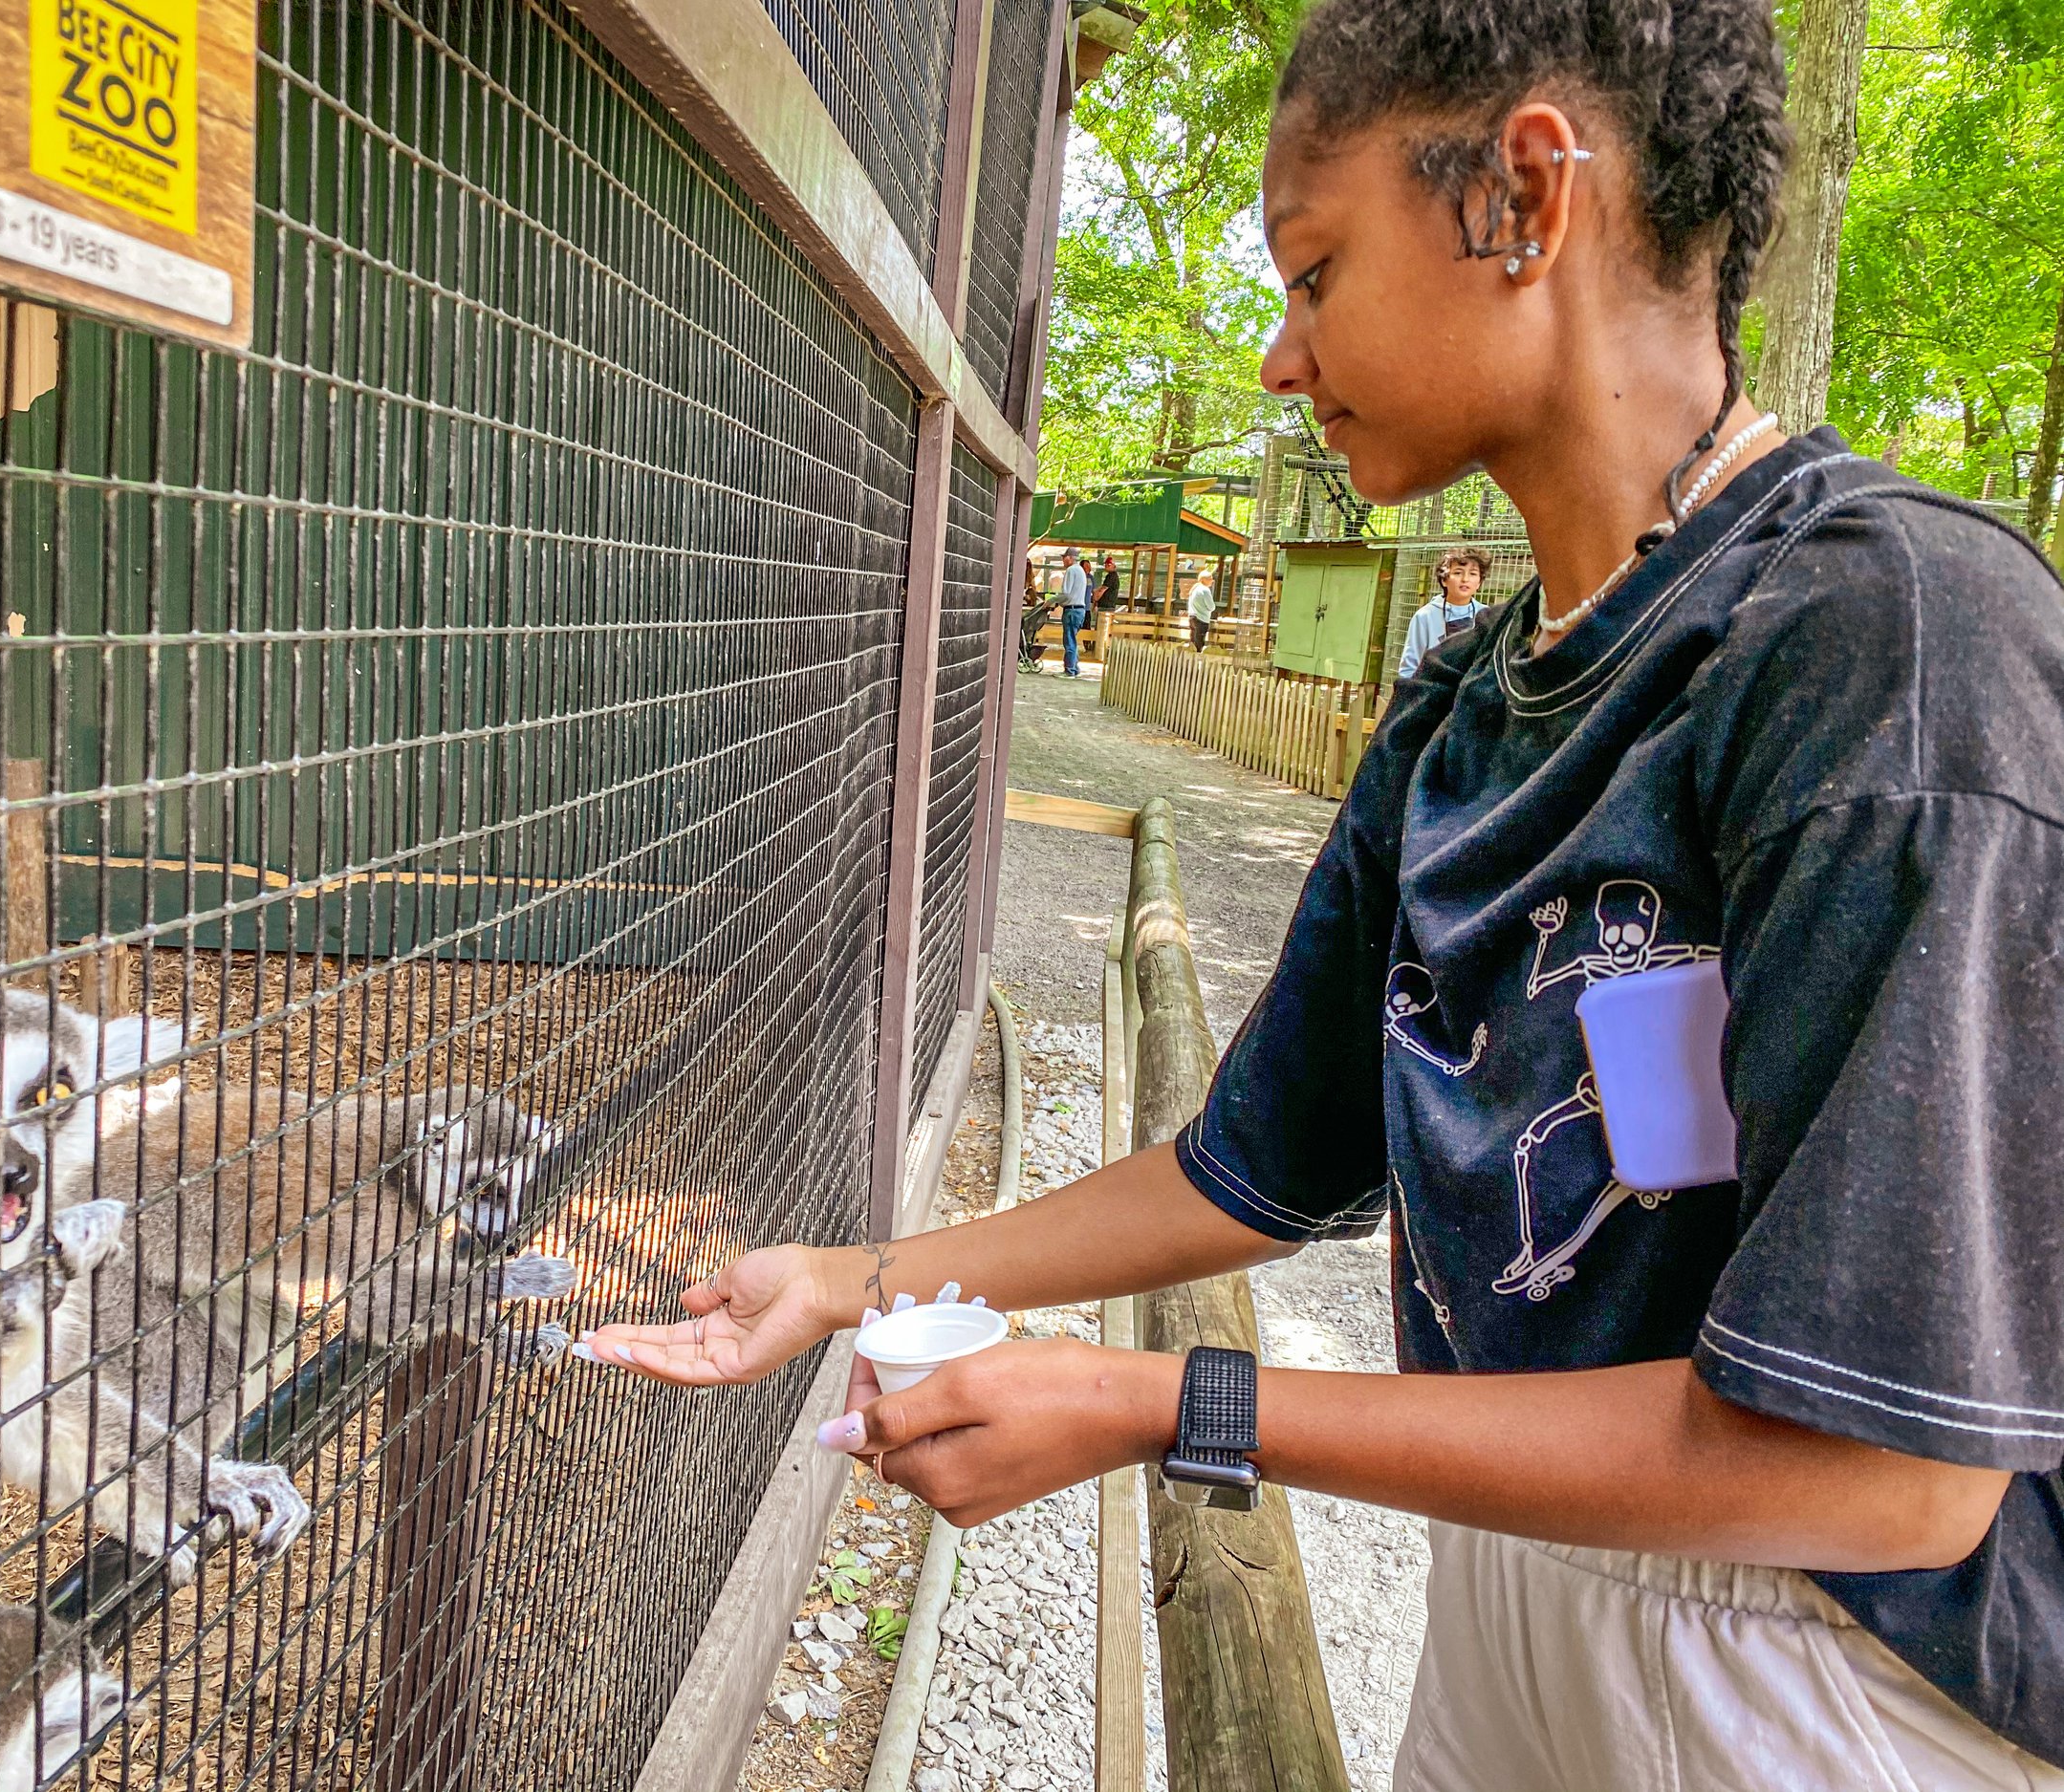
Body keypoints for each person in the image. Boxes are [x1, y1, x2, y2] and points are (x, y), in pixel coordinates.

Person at [581, 1, 2064, 1785]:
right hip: (1517, 1587)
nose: (1284, 357)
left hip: (1840, 1683)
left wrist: (1163, 1403)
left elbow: (1883, 1470)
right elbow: (1251, 1166)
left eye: (1314, 269)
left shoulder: (1891, 649)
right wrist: (842, 1276)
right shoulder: (1459, 709)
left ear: (1524, 196)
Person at [1394, 546, 1491, 679]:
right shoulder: (1425, 616)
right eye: (1458, 573)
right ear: (1444, 580)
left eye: (1473, 574)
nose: (1465, 579)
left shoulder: (1487, 616)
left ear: (1479, 582)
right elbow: (1409, 668)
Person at [1057, 551, 1090, 678]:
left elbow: (1066, 593)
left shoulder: (1071, 570)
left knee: (1069, 640)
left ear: (1070, 558)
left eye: (1064, 557)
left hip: (1071, 610)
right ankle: (1075, 668)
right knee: (1073, 640)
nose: (1063, 560)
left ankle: (1069, 670)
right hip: (1080, 610)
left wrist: (1053, 600)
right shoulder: (1081, 571)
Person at [1186, 572, 1217, 650]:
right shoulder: (1205, 590)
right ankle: (1197, 659)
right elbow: (1211, 606)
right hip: (1201, 619)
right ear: (1203, 580)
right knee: (1199, 642)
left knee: (1193, 640)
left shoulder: (1194, 589)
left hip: (1192, 616)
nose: (1212, 580)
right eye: (1210, 578)